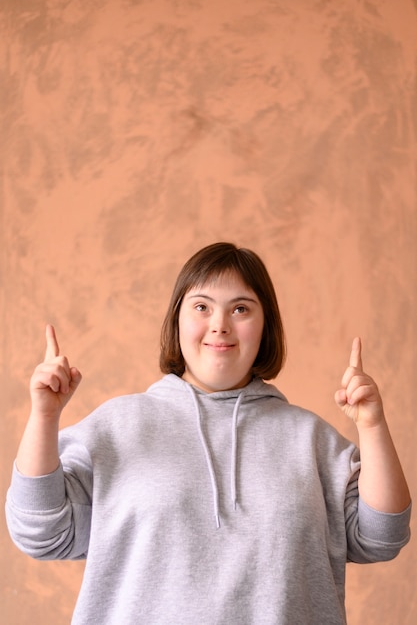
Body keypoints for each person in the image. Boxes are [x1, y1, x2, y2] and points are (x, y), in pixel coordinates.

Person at [6, 242, 411, 625]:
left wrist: (371, 425)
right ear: (177, 320)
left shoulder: (311, 440)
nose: (219, 325)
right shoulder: (117, 426)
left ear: (265, 326)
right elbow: (40, 532)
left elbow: (382, 536)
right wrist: (44, 416)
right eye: (202, 306)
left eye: (241, 309)